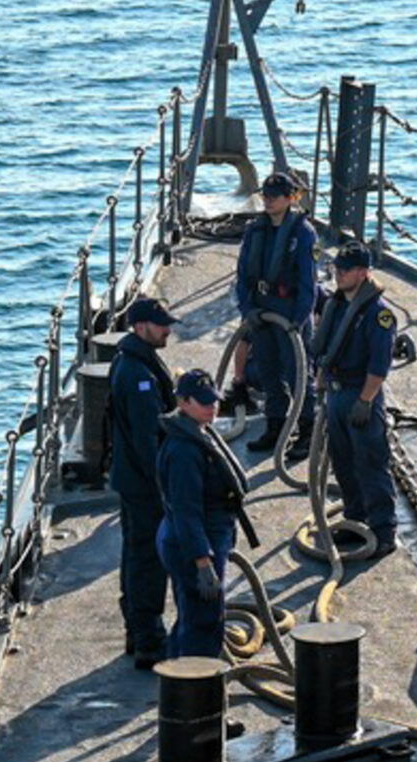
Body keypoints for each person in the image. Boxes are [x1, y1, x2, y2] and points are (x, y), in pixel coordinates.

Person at [154, 367, 256, 661]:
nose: (212, 407)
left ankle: (176, 671)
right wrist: (202, 563)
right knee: (203, 625)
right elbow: (186, 512)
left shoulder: (198, 431)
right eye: (204, 402)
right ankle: (195, 685)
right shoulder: (184, 452)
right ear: (183, 403)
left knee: (192, 616)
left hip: (201, 536)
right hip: (195, 544)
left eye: (214, 400)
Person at [310, 241, 399, 558]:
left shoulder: (379, 315)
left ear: (362, 273)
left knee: (370, 462)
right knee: (343, 460)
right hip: (337, 392)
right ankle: (355, 519)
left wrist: (365, 400)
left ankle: (383, 530)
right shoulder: (337, 305)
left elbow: (379, 365)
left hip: (361, 393)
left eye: (345, 270)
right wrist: (322, 378)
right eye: (337, 268)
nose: (338, 274)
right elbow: (328, 347)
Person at [105, 295, 180, 665]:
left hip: (131, 478)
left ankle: (136, 632)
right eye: (161, 325)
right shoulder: (138, 376)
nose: (167, 330)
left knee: (135, 554)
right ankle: (149, 640)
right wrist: (164, 486)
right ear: (140, 327)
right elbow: (147, 438)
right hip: (144, 484)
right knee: (148, 559)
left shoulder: (130, 359)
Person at [233, 171, 317, 455]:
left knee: (298, 373)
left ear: (290, 198)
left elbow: (307, 284)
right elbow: (242, 274)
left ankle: (307, 429)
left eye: (274, 196)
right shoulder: (255, 230)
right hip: (261, 311)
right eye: (265, 195)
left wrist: (298, 321)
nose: (267, 200)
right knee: (268, 370)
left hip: (289, 313)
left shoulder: (303, 234)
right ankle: (276, 426)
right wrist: (247, 310)